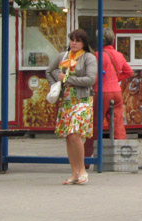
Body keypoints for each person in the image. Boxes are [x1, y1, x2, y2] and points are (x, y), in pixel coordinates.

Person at [46, 29, 98, 185]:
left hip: (82, 100)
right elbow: (49, 71)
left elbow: (90, 79)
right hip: (66, 100)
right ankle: (74, 172)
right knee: (68, 136)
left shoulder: (89, 57)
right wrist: (56, 84)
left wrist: (68, 78)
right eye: (72, 40)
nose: (74, 43)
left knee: (75, 134)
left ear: (84, 43)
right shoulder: (63, 56)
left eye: (78, 40)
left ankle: (82, 170)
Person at [84, 28, 134, 158]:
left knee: (95, 125)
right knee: (118, 124)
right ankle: (123, 156)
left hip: (101, 92)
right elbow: (129, 72)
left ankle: (86, 159)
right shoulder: (118, 55)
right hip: (116, 92)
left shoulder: (97, 55)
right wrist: (114, 79)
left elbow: (92, 75)